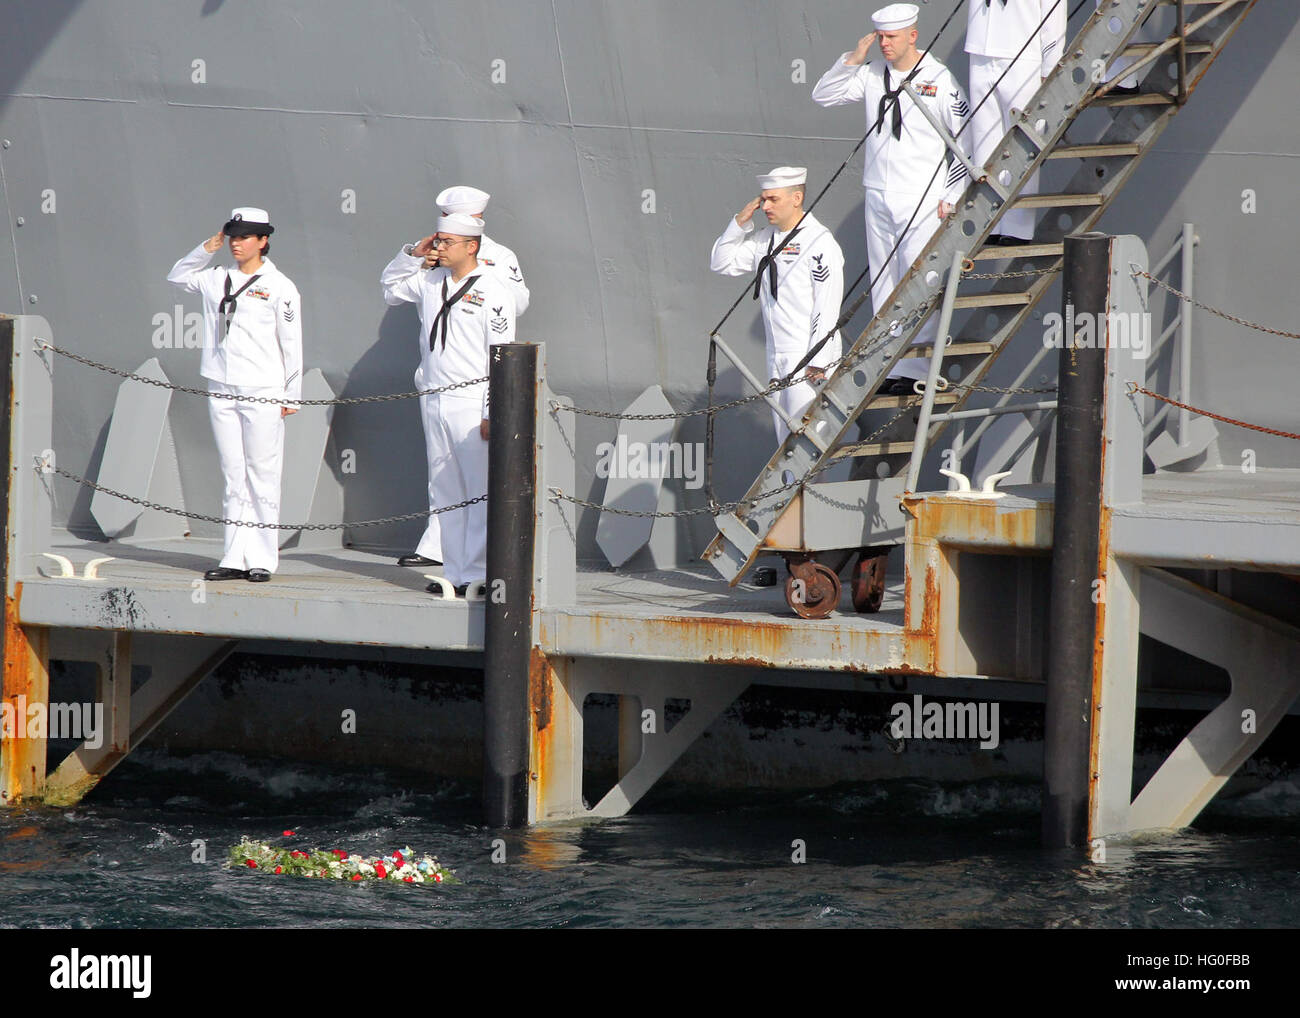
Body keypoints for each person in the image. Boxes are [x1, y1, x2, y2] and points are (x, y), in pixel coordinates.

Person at [812, 3, 973, 394]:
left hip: (922, 197)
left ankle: (915, 370)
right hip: (879, 195)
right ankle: (889, 367)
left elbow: (965, 137)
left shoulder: (938, 79)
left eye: (892, 37)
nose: (884, 44)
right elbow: (824, 95)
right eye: (881, 37)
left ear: (912, 36)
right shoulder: (871, 75)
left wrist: (953, 193)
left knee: (919, 281)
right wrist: (853, 59)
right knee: (885, 282)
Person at [381, 212, 516, 596]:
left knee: (478, 491)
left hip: (472, 401)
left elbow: (501, 355)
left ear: (471, 246)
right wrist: (411, 254)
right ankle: (455, 572)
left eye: (447, 242)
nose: (439, 247)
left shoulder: (494, 290)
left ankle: (479, 573)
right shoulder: (428, 280)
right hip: (434, 396)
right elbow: (390, 290)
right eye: (437, 241)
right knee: (446, 492)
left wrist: (493, 411)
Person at [167, 207, 302, 583]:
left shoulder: (279, 286)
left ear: (264, 241)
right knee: (233, 473)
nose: (237, 243)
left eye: (245, 237)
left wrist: (292, 394)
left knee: (262, 473)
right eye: (233, 236)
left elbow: (291, 343)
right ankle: (234, 555)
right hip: (222, 386)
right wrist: (203, 250)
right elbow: (178, 277)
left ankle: (261, 557)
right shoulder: (215, 279)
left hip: (262, 388)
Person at [709, 167, 844, 443]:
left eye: (773, 199)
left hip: (807, 354)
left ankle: (809, 489)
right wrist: (739, 224)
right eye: (764, 200)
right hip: (777, 355)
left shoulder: (819, 242)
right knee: (786, 443)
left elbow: (827, 302)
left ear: (796, 198)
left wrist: (817, 359)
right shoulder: (764, 240)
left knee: (809, 443)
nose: (766, 206)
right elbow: (721, 262)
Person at [966, 0, 1067, 244]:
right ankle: (989, 223)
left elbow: (1053, 15)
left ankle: (1018, 228)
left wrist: (1050, 64)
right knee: (984, 143)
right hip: (981, 50)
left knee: (1023, 142)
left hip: (1023, 52)